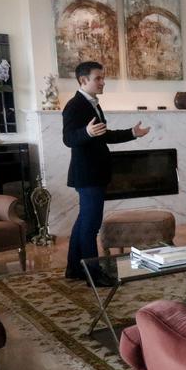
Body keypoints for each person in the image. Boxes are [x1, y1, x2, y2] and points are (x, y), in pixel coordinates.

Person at [63, 61, 150, 285]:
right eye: (98, 78)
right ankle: (94, 274)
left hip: (95, 173)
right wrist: (86, 132)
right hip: (87, 175)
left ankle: (74, 268)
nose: (103, 82)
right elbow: (69, 138)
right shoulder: (75, 105)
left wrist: (132, 133)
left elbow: (104, 135)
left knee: (83, 222)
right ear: (84, 80)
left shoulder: (92, 104)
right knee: (90, 226)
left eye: (103, 78)